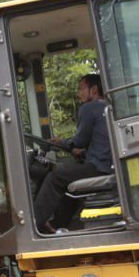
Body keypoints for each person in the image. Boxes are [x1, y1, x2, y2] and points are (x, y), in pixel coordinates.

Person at [35, 74, 114, 233]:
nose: (79, 94)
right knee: (67, 177)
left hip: (100, 167)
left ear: (94, 90)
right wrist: (81, 152)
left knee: (54, 177)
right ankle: (58, 226)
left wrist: (59, 142)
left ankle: (35, 225)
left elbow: (79, 140)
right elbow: (100, 143)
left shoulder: (89, 108)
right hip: (108, 164)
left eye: (81, 89)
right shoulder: (108, 107)